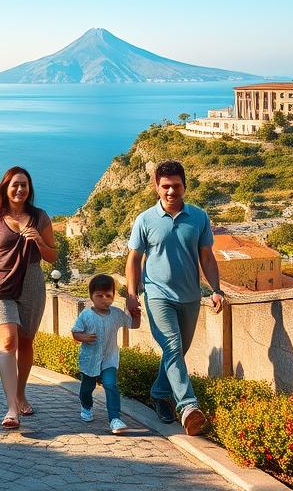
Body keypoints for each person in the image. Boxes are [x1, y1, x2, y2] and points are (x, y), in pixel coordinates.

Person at [125, 159, 224, 436]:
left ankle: (159, 393)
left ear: (184, 186)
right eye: (165, 186)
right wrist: (132, 294)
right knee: (172, 345)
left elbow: (207, 257)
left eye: (176, 186)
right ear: (156, 187)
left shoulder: (199, 217)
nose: (171, 191)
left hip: (190, 296)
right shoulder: (145, 220)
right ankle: (188, 407)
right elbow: (133, 259)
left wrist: (216, 290)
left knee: (177, 351)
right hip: (157, 295)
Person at [0, 166, 58, 429]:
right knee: (8, 340)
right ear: (5, 188)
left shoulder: (40, 217)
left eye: (24, 185)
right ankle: (11, 409)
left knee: (27, 341)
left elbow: (53, 256)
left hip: (31, 283)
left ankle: (20, 394)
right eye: (15, 185)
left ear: (29, 189)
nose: (20, 189)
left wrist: (39, 241)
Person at [71, 274, 140, 434]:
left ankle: (115, 419)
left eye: (108, 295)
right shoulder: (86, 315)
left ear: (113, 296)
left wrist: (136, 316)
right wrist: (84, 337)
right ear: (91, 296)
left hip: (110, 358)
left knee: (110, 385)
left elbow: (133, 325)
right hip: (90, 359)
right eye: (99, 295)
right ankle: (86, 406)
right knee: (87, 387)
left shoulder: (116, 314)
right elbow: (75, 332)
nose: (104, 299)